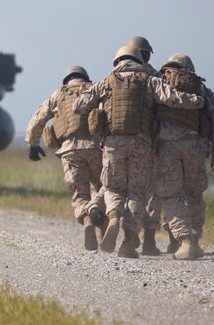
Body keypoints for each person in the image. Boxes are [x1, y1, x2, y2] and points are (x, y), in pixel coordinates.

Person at [73, 45, 204, 258]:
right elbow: (170, 96)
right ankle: (127, 242)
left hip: (113, 143)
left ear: (118, 60)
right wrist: (196, 101)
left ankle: (114, 216)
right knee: (137, 193)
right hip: (142, 144)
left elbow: (78, 106)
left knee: (113, 188)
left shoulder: (108, 80)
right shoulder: (149, 79)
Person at [155, 53, 214, 257]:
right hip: (196, 148)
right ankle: (194, 240)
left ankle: (184, 240)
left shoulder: (160, 83)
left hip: (167, 148)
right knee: (194, 195)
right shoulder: (202, 89)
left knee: (172, 196)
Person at [25, 66, 107, 250]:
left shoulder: (58, 95)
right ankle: (102, 234)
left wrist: (33, 144)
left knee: (80, 193)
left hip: (69, 150)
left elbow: (38, 119)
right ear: (85, 77)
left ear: (66, 80)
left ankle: (87, 221)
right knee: (100, 189)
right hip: (96, 148)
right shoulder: (95, 89)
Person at [125, 36, 165, 255]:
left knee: (128, 192)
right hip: (152, 142)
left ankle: (129, 238)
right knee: (152, 194)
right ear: (147, 54)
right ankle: (149, 241)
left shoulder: (116, 77)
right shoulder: (155, 77)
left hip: (121, 144)